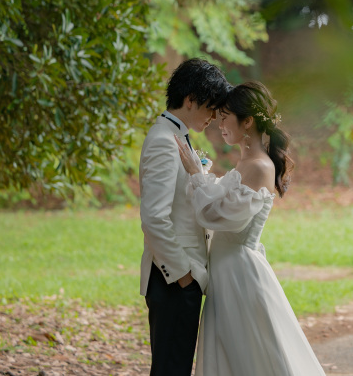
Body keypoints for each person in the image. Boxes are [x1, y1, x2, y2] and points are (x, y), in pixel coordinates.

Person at [174, 81, 326, 376]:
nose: (219, 125)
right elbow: (225, 199)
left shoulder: (260, 166)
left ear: (248, 121)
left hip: (239, 274)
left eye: (225, 117)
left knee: (250, 355)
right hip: (226, 271)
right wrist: (204, 177)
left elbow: (221, 216)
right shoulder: (246, 162)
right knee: (233, 354)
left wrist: (196, 175)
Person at [139, 58, 229, 376]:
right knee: (170, 370)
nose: (214, 117)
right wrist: (183, 276)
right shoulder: (164, 142)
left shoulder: (176, 135)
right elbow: (153, 218)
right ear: (190, 100)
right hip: (174, 281)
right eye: (211, 107)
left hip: (181, 282)